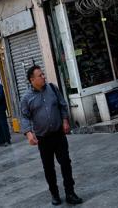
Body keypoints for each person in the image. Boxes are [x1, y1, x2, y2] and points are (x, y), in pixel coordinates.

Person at [20, 65, 83, 206]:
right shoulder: (26, 98)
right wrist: (29, 133)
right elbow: (24, 117)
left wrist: (65, 120)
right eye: (40, 75)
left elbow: (62, 105)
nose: (44, 77)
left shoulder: (52, 88)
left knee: (66, 162)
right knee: (48, 168)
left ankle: (70, 193)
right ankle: (54, 194)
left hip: (58, 134)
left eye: (43, 74)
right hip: (43, 139)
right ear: (32, 80)